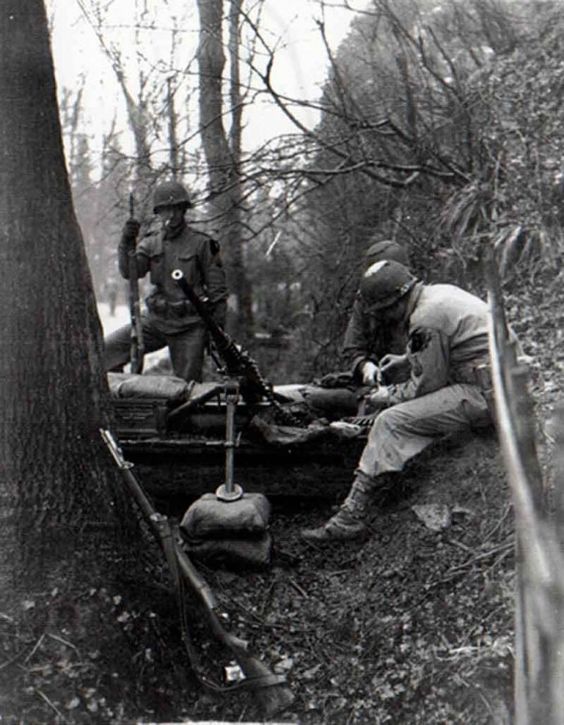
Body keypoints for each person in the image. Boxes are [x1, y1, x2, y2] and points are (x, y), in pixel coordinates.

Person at [302, 260, 493, 544]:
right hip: (494, 383)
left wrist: (388, 396)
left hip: (487, 395)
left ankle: (351, 518)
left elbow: (428, 385)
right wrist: (407, 360)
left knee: (390, 421)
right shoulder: (437, 294)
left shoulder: (426, 317)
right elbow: (453, 344)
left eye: (385, 312)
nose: (386, 319)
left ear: (395, 302)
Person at [104, 180, 228, 382]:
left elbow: (218, 293)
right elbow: (130, 272)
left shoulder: (203, 243)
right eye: (164, 210)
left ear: (183, 210)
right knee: (106, 351)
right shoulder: (152, 242)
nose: (170, 215)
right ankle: (124, 402)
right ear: (159, 213)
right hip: (156, 320)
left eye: (175, 209)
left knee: (186, 387)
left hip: (190, 326)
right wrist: (126, 240)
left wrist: (216, 335)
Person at [342, 239, 411, 386]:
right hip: (377, 382)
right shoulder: (364, 302)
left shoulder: (422, 302)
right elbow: (353, 347)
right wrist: (365, 366)